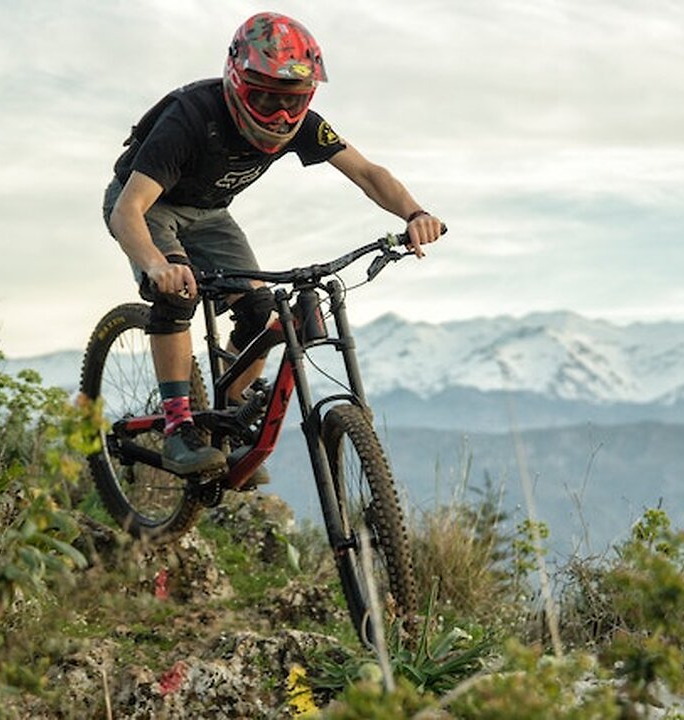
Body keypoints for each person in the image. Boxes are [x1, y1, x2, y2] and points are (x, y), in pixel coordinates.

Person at [102, 11, 444, 476]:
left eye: (294, 100)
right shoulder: (190, 119)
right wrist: (155, 265)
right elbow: (128, 211)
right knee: (178, 291)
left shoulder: (301, 125)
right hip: (147, 208)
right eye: (265, 99)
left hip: (212, 214)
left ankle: (231, 417)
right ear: (237, 84)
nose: (282, 115)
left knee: (260, 309)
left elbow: (366, 172)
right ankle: (177, 428)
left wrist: (414, 212)